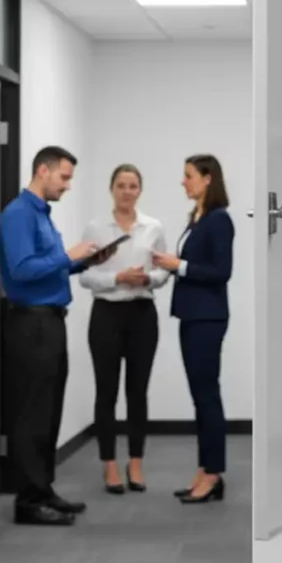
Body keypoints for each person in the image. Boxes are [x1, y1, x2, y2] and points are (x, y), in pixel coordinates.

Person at [0, 145, 112, 526]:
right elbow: (23, 269)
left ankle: (43, 489)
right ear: (42, 171)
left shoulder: (43, 216)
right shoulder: (18, 214)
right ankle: (28, 503)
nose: (67, 186)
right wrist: (68, 255)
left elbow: (48, 269)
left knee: (49, 410)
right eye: (64, 177)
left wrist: (83, 262)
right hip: (30, 325)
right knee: (32, 412)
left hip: (50, 322)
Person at [79, 164, 169, 495]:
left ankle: (135, 463)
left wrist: (147, 278)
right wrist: (117, 278)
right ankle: (110, 466)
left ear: (140, 191)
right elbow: (85, 276)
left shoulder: (153, 227)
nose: (127, 191)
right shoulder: (96, 227)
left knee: (137, 392)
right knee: (106, 392)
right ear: (111, 189)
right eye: (120, 185)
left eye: (132, 186)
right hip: (106, 316)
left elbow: (163, 271)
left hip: (142, 315)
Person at [152, 154, 234, 504]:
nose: (183, 182)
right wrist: (169, 266)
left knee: (207, 397)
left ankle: (213, 474)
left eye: (188, 176)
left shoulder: (219, 220)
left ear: (207, 178)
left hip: (207, 318)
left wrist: (179, 265)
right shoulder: (197, 219)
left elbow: (221, 271)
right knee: (201, 397)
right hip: (192, 315)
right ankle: (205, 470)